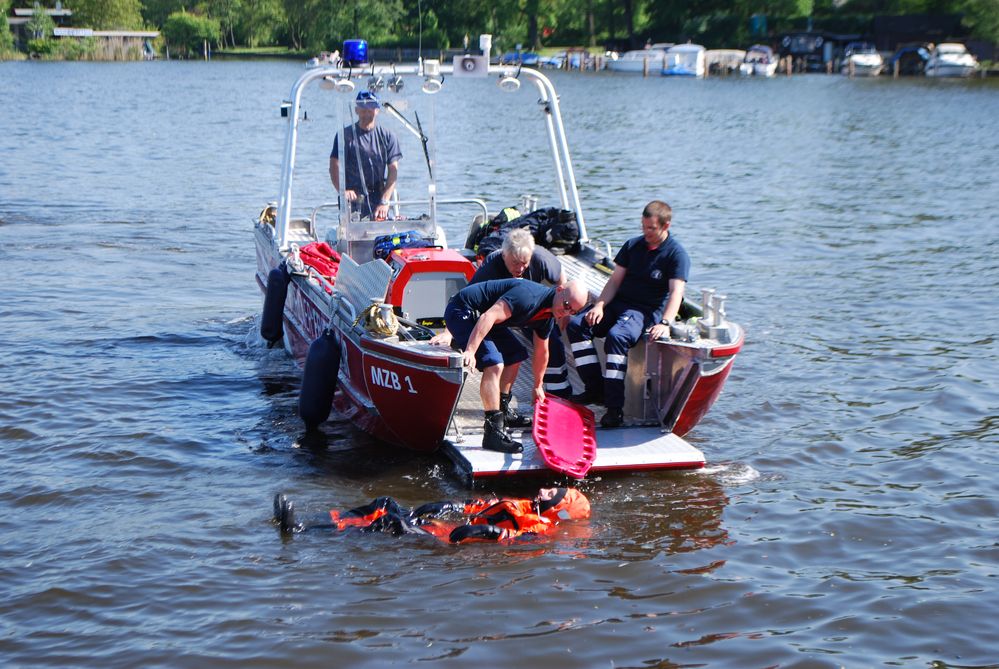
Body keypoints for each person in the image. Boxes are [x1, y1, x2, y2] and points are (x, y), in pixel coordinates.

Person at [567, 200, 689, 428]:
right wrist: (599, 305)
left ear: (666, 226)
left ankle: (614, 409)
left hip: (643, 311)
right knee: (577, 325)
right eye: (643, 227)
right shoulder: (633, 246)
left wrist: (665, 322)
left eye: (651, 228)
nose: (646, 233)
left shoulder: (676, 255)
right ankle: (595, 389)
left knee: (617, 337)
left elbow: (676, 293)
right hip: (618, 304)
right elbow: (614, 281)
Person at [445, 277, 589, 453]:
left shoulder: (547, 315)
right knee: (495, 363)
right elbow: (488, 316)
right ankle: (493, 433)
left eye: (573, 312)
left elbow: (542, 350)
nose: (567, 313)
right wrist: (470, 350)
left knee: (516, 355)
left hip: (486, 318)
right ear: (559, 290)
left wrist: (538, 386)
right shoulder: (528, 297)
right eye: (567, 305)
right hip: (463, 311)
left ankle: (503, 412)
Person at [430, 228, 573, 398]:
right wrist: (449, 332)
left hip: (527, 308)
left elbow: (561, 280)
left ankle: (557, 393)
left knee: (550, 341)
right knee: (495, 361)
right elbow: (466, 298)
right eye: (515, 263)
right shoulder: (492, 266)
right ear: (504, 256)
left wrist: (566, 312)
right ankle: (495, 410)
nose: (520, 268)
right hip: (492, 314)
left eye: (524, 263)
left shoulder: (541, 259)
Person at [273, 487, 590, 543]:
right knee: (385, 502)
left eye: (552, 494)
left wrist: (484, 533)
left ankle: (301, 530)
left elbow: (510, 536)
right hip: (450, 524)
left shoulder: (537, 527)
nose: (544, 491)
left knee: (390, 523)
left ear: (557, 508)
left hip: (447, 537)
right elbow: (479, 507)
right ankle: (324, 519)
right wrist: (451, 506)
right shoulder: (522, 504)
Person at [328, 90, 402, 221]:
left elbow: (393, 171)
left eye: (372, 106)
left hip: (379, 197)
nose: (367, 110)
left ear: (377, 110)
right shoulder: (344, 136)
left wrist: (384, 201)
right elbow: (334, 165)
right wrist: (343, 190)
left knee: (388, 231)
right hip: (353, 199)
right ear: (356, 110)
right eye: (363, 107)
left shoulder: (388, 136)